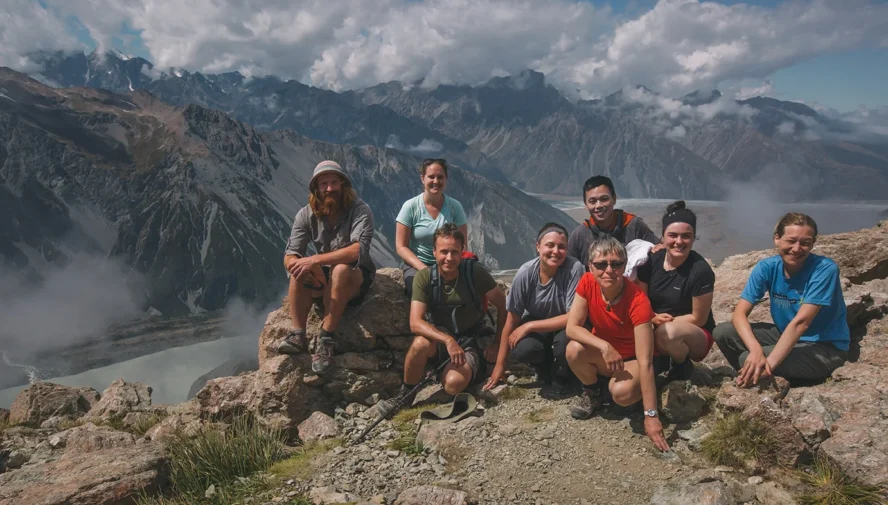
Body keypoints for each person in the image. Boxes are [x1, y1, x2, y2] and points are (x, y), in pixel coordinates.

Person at [377, 224, 507, 415]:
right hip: (441, 341)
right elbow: (416, 322)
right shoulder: (425, 277)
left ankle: (463, 372)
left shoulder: (475, 273)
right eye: (444, 252)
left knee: (453, 385)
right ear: (434, 252)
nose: (449, 258)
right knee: (420, 343)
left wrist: (496, 344)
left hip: (470, 342)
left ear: (462, 252)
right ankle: (404, 396)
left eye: (454, 252)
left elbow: (504, 306)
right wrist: (447, 340)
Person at [713, 213, 849, 386]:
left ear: (813, 244)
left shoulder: (824, 270)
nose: (797, 248)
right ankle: (755, 372)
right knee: (724, 332)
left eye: (805, 243)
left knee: (746, 359)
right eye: (791, 241)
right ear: (777, 239)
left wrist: (766, 363)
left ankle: (759, 374)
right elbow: (739, 313)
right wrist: (756, 351)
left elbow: (801, 323)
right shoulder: (767, 267)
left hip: (825, 347)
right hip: (785, 334)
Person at [565, 236, 670, 452]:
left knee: (621, 394)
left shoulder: (637, 300)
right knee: (573, 350)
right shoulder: (586, 282)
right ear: (590, 267)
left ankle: (644, 390)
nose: (608, 270)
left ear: (625, 265)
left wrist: (651, 416)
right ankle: (594, 393)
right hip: (608, 355)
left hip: (632, 359)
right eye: (601, 264)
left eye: (616, 264)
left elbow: (645, 361)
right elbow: (572, 328)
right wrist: (604, 346)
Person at [277, 161, 376, 375]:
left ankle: (326, 338)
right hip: (325, 274)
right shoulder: (306, 214)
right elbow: (290, 254)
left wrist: (315, 260)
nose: (329, 188)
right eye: (324, 184)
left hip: (356, 273)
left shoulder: (360, 210)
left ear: (343, 185)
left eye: (334, 183)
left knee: (339, 269)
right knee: (298, 268)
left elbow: (356, 252)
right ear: (316, 189)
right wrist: (298, 264)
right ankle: (298, 334)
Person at [484, 223, 585, 393]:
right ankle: (545, 368)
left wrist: (530, 326)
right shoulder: (525, 273)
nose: (555, 251)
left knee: (565, 344)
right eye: (550, 245)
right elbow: (511, 320)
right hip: (538, 319)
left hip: (564, 323)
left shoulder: (574, 269)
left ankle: (563, 371)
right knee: (523, 348)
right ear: (538, 247)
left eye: (561, 247)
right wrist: (500, 365)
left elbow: (573, 316)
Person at [636, 201, 716, 381]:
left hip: (694, 334)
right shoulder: (651, 261)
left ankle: (681, 365)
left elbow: (698, 318)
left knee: (668, 333)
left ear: (694, 237)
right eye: (672, 235)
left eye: (686, 236)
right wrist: (651, 317)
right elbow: (641, 299)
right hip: (655, 322)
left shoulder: (700, 271)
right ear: (663, 237)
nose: (679, 242)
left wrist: (658, 322)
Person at [396, 158, 468, 296]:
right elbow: (401, 247)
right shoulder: (410, 207)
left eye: (440, 177)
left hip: (449, 262)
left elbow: (463, 244)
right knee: (421, 288)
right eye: (431, 177)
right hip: (417, 264)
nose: (436, 181)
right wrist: (423, 269)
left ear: (446, 179)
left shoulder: (455, 207)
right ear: (422, 178)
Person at [567, 175, 659, 267]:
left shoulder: (634, 226)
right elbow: (569, 270)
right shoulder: (579, 236)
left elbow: (659, 252)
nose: (598, 205)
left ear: (614, 199)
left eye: (604, 199)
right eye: (592, 201)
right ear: (586, 205)